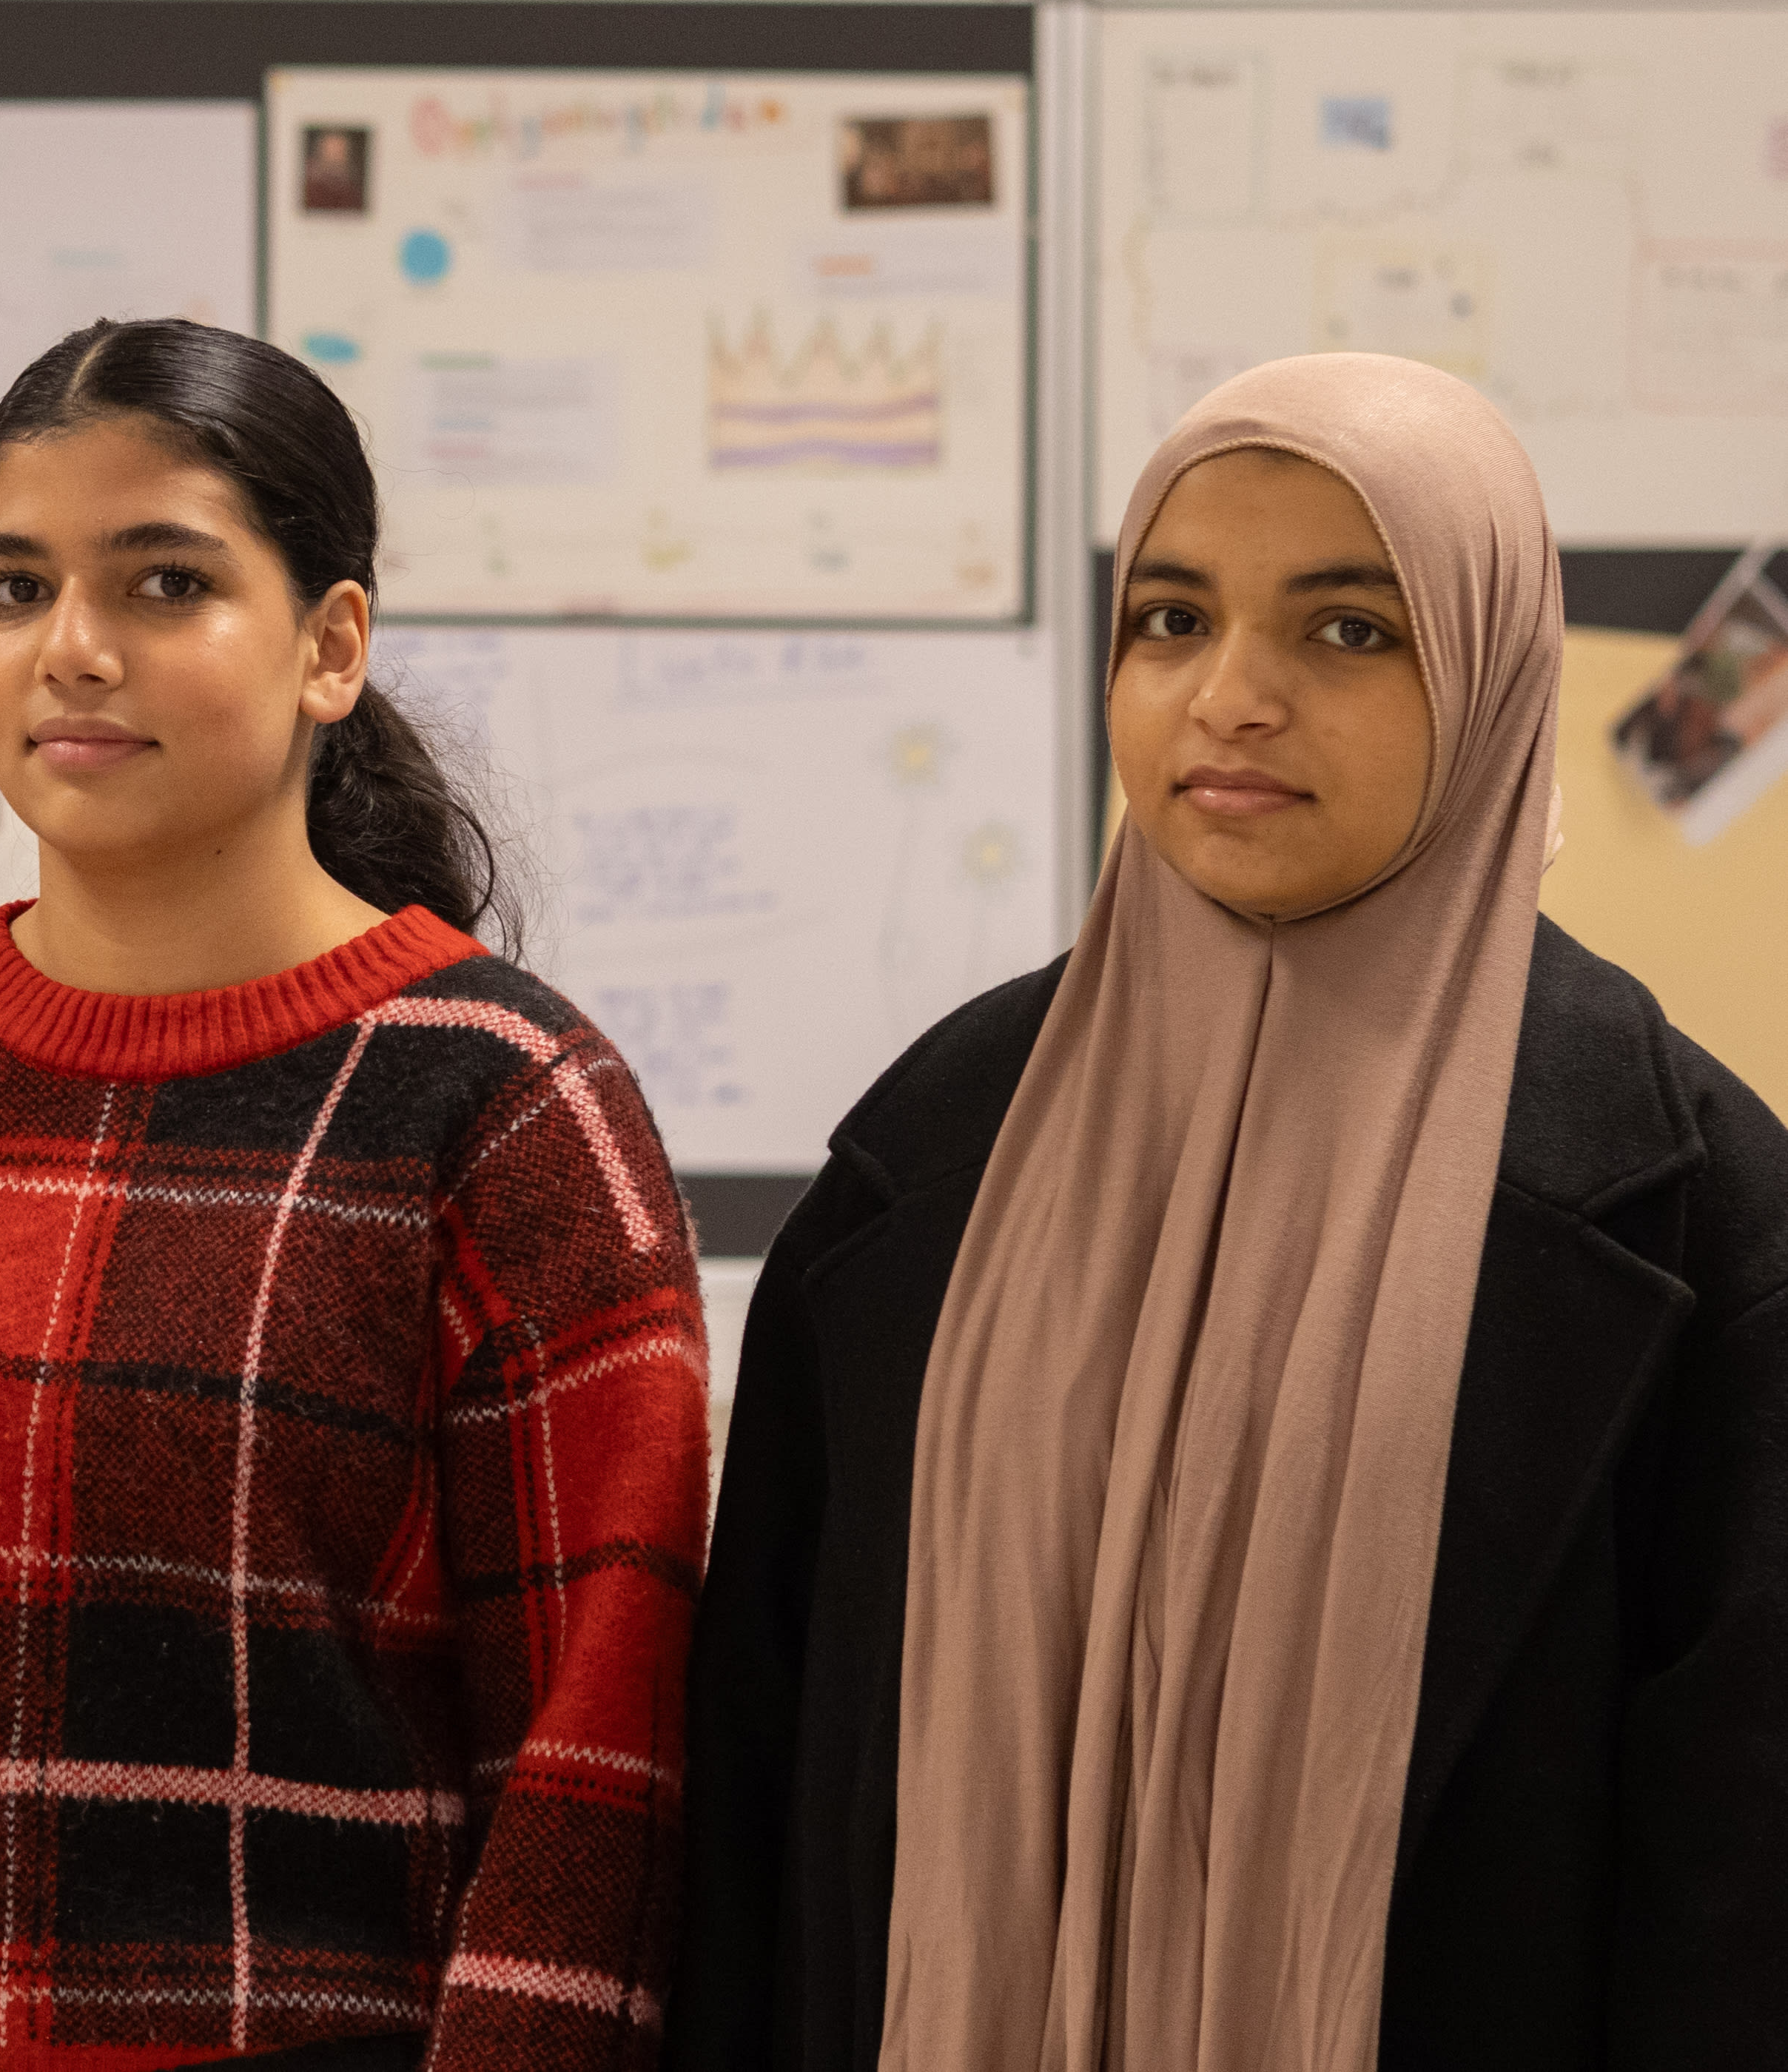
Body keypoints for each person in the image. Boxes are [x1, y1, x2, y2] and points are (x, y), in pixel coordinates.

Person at [0, 317, 710, 2072]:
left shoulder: (507, 1106)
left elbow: (590, 1770)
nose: (71, 650)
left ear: (331, 646)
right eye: (15, 589)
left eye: (166, 585)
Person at [670, 352, 1788, 2072]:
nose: (1231, 698)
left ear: (1491, 669)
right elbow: (757, 1776)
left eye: (1348, 630)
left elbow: (1739, 1887)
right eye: (1172, 621)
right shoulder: (931, 1148)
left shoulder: (1699, 1212)